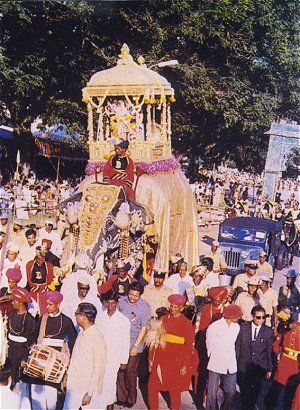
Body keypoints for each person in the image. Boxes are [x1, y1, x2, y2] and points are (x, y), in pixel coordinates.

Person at [30, 291, 77, 410]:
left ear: (58, 304)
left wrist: (69, 362)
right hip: (40, 361)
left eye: (50, 304)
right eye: (46, 304)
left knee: (51, 398)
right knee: (37, 396)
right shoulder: (43, 319)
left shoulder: (66, 321)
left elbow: (73, 340)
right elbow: (33, 336)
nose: (47, 307)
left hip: (55, 363)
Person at [148, 294, 196, 410]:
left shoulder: (186, 324)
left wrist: (185, 364)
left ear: (181, 308)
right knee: (152, 386)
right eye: (171, 306)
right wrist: (150, 359)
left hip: (175, 360)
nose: (172, 309)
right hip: (160, 358)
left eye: (176, 307)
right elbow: (155, 341)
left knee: (175, 389)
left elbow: (188, 347)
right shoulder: (163, 319)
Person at [63, 303, 106, 410]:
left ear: (83, 317)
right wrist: (67, 376)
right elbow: (75, 359)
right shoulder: (82, 333)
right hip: (75, 385)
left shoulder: (96, 338)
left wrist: (89, 393)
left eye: (76, 314)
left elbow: (99, 368)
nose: (75, 316)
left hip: (86, 388)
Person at [117, 282, 151, 407]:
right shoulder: (121, 301)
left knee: (130, 371)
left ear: (140, 295)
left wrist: (136, 346)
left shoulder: (144, 307)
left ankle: (131, 398)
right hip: (121, 341)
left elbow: (143, 328)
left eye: (135, 295)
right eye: (131, 294)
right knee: (120, 369)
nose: (132, 297)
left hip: (134, 342)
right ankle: (121, 396)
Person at [194, 286, 228, 408]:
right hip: (205, 345)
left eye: (219, 299)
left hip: (219, 348)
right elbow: (202, 327)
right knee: (201, 372)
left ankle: (212, 399)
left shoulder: (227, 310)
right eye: (214, 299)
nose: (217, 302)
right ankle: (199, 398)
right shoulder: (207, 308)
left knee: (215, 376)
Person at [236, 305, 273, 410]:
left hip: (259, 367)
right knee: (244, 391)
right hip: (244, 365)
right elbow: (237, 347)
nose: (261, 320)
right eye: (258, 317)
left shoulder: (268, 331)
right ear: (253, 316)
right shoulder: (243, 328)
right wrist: (235, 363)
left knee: (254, 392)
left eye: (263, 317)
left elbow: (269, 351)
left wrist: (269, 369)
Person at [97, 291, 130, 410]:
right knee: (98, 384)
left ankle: (109, 406)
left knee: (109, 385)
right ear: (105, 303)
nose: (110, 306)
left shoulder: (123, 320)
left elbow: (125, 341)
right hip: (100, 357)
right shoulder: (99, 317)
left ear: (117, 303)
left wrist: (124, 360)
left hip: (114, 358)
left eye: (113, 303)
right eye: (108, 303)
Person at [205, 304, 242, 410]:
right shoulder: (214, 327)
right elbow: (209, 343)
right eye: (238, 316)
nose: (239, 318)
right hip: (216, 361)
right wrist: (213, 356)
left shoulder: (237, 327)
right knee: (212, 392)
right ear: (231, 315)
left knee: (231, 391)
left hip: (230, 362)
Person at [266, 313, 300, 410]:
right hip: (284, 362)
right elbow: (277, 342)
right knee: (277, 386)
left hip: (296, 365)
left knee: (291, 392)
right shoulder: (288, 328)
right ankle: (269, 406)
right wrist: (277, 352)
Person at [7, 287, 36, 391]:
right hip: (10, 351)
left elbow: (30, 341)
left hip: (20, 352)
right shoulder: (12, 314)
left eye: (14, 300)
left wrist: (24, 358)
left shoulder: (30, 320)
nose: (12, 303)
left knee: (19, 383)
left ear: (19, 302)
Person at [26, 247, 54, 315]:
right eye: (39, 258)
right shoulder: (30, 264)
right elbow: (28, 277)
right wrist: (33, 287)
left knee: (44, 312)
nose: (41, 260)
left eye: (43, 258)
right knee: (31, 312)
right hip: (33, 291)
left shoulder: (49, 265)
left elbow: (50, 279)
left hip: (44, 292)